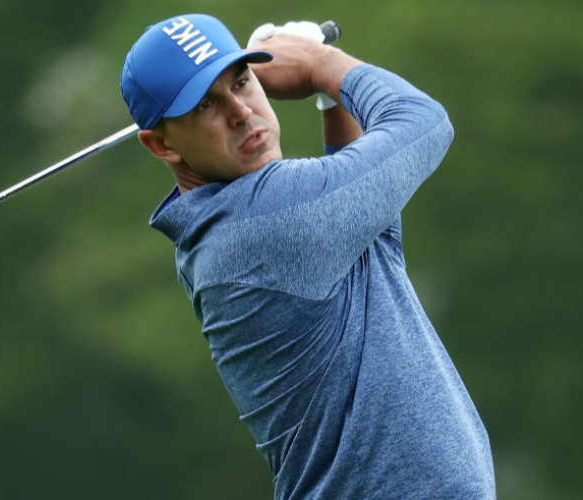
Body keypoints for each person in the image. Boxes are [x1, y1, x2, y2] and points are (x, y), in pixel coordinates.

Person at [120, 13, 495, 500]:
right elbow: (424, 123)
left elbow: (368, 224)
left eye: (242, 81)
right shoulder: (263, 222)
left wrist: (328, 97)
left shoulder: (239, 221)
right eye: (206, 104)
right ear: (161, 144)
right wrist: (320, 63)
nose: (241, 111)